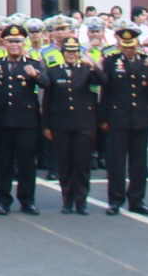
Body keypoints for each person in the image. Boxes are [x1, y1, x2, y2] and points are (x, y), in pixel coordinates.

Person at [41, 35, 104, 215]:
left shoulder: (86, 70)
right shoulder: (54, 71)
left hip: (84, 123)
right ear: (62, 53)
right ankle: (67, 200)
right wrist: (46, 126)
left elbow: (102, 80)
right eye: (68, 51)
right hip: (61, 124)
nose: (71, 54)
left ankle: (81, 201)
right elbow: (47, 101)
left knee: (82, 164)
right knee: (65, 163)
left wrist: (93, 65)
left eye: (74, 51)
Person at [100, 23, 148, 216]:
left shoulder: (146, 61)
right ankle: (115, 200)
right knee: (116, 162)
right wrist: (103, 118)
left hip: (140, 118)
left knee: (138, 163)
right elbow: (105, 92)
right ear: (119, 45)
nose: (129, 50)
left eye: (132, 46)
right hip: (118, 117)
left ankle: (137, 200)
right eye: (125, 47)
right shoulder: (111, 62)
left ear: (137, 44)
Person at [0, 23, 44, 216]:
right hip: (2, 121)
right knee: (2, 164)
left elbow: (46, 83)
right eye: (10, 41)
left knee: (27, 163)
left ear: (24, 44)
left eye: (18, 41)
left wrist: (35, 75)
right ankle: (3, 200)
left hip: (26, 122)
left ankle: (27, 200)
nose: (14, 45)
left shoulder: (33, 64)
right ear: (4, 43)